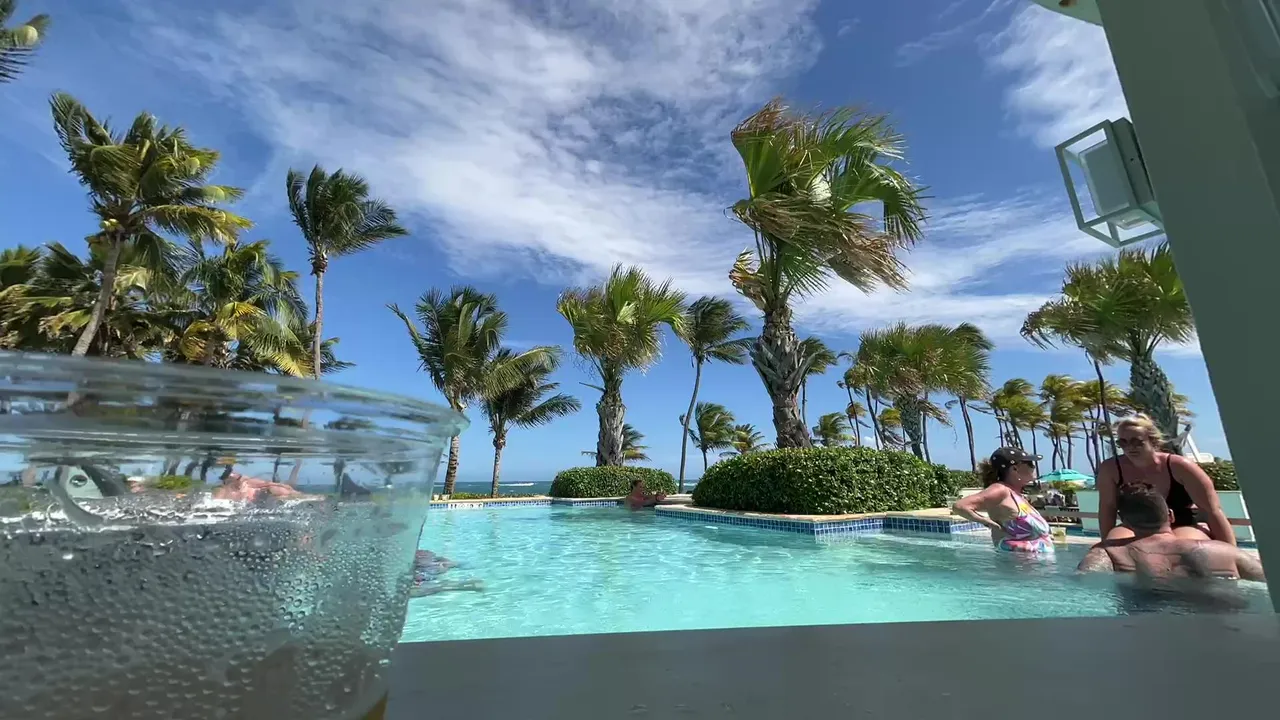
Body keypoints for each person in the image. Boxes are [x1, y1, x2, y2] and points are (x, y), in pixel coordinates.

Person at [1077, 483, 1264, 581]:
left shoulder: (1109, 553)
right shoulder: (1224, 552)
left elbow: (1084, 584)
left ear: (1124, 521)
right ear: (1171, 516)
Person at [1095, 414, 1235, 545]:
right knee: (1116, 545)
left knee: (1182, 547)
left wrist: (1231, 552)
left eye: (1136, 442)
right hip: (1133, 527)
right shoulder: (1111, 469)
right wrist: (1105, 548)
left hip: (1181, 524)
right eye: (1123, 442)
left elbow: (1212, 510)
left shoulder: (1180, 466)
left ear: (1153, 441)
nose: (1130, 447)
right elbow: (1107, 509)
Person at [952, 447, 1055, 554]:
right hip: (1015, 563)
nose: (1034, 467)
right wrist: (985, 521)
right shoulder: (1000, 490)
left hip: (1033, 562)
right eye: (1030, 464)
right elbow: (960, 506)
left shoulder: (1016, 494)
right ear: (1015, 469)